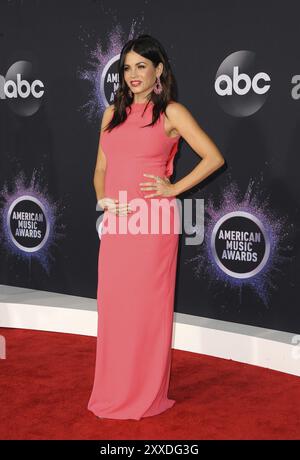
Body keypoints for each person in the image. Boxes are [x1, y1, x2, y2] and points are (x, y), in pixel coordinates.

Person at [87, 34, 225, 420]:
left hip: (152, 224)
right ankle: (114, 388)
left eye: (141, 66)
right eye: (127, 68)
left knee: (146, 309)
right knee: (115, 307)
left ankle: (145, 394)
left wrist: (174, 188)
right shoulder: (111, 114)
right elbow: (100, 169)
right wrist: (103, 199)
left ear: (158, 70)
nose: (133, 75)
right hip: (117, 224)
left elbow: (213, 157)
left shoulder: (172, 113)